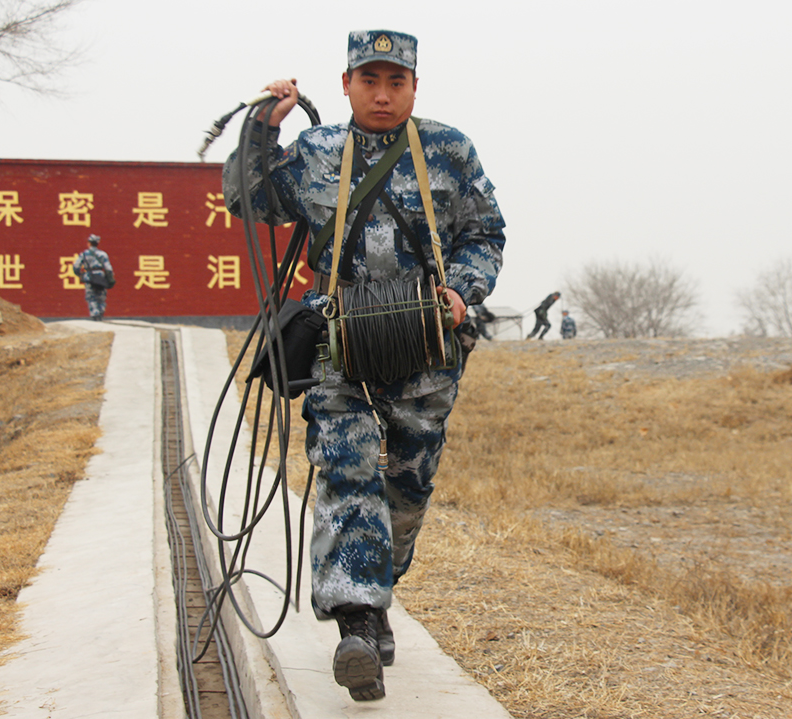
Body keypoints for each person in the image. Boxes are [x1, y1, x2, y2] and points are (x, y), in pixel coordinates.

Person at [222, 30, 505, 702]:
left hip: (426, 346)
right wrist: (264, 126)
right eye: (369, 80)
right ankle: (354, 619)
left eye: (396, 82)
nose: (383, 94)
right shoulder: (318, 152)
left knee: (406, 486)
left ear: (414, 87)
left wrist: (462, 291)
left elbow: (486, 232)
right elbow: (250, 199)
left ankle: (378, 588)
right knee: (346, 469)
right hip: (340, 342)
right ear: (345, 84)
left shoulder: (449, 149)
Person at [72, 234, 114, 321]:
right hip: (100, 276)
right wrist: (110, 279)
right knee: (101, 296)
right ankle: (101, 311)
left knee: (91, 296)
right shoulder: (103, 254)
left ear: (89, 243)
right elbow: (108, 268)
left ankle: (94, 313)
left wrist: (80, 274)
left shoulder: (84, 254)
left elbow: (76, 266)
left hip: (89, 276)